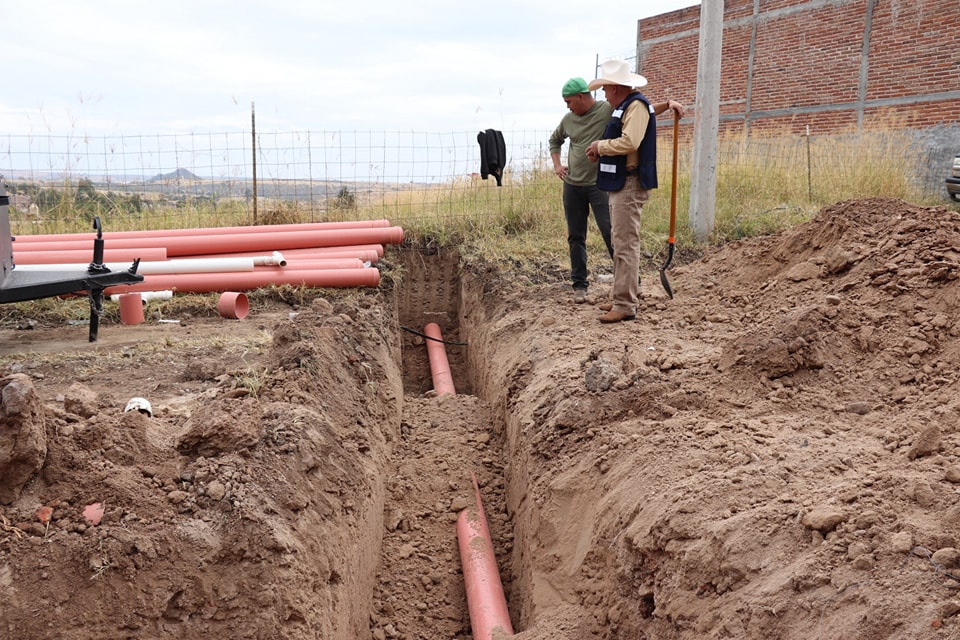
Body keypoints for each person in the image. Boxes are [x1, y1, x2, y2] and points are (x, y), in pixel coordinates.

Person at [586, 59, 685, 323]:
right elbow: (646, 115)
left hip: (629, 184)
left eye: (606, 88)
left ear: (617, 88)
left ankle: (625, 304)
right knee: (621, 243)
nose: (604, 93)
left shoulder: (635, 105)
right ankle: (623, 294)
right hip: (620, 182)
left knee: (625, 244)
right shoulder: (628, 106)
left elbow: (630, 141)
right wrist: (600, 151)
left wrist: (600, 146)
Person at [549, 77, 614, 304]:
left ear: (581, 96)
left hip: (599, 185)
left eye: (569, 101)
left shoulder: (606, 109)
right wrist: (557, 165)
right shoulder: (568, 119)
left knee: (610, 231)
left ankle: (628, 280)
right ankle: (579, 285)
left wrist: (667, 105)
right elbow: (554, 140)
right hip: (573, 186)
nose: (567, 106)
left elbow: (640, 111)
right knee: (576, 236)